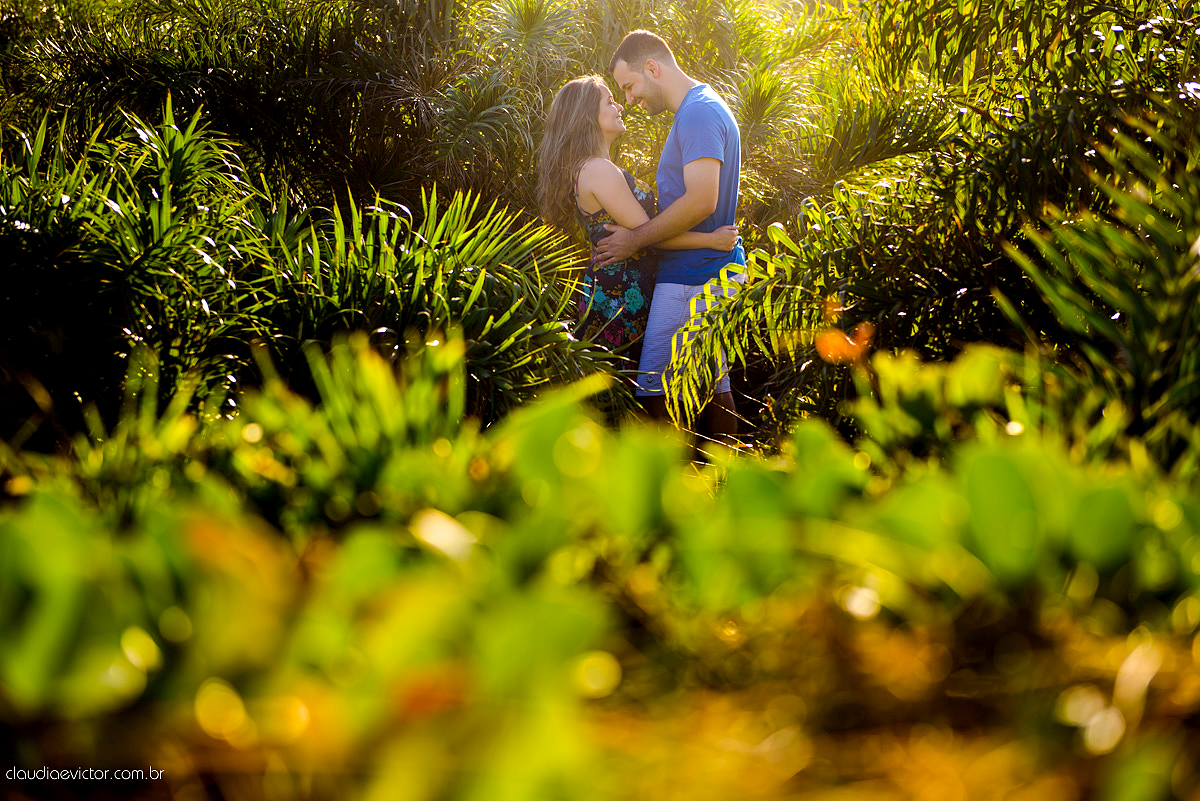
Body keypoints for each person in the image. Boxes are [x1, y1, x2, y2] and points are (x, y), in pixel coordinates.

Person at [595, 30, 746, 442]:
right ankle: (722, 490)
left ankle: (666, 497)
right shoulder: (698, 109)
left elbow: (701, 200)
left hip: (693, 277)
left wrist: (636, 238)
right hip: (706, 271)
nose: (628, 99)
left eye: (629, 86)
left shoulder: (698, 112)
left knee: (652, 394)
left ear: (653, 68)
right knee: (715, 390)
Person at [536, 75, 738, 370]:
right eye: (610, 101)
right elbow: (650, 234)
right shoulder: (598, 170)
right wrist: (710, 240)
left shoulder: (594, 168)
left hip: (623, 290)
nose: (620, 105)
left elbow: (642, 232)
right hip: (619, 296)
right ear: (587, 116)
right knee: (623, 391)